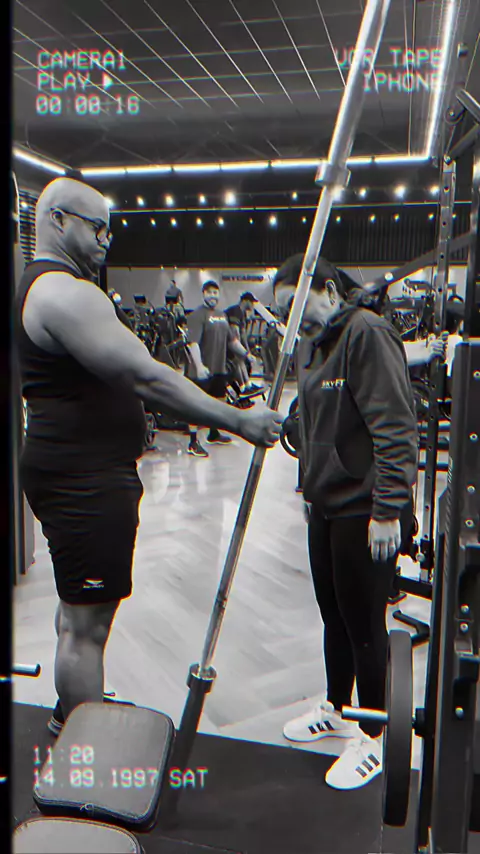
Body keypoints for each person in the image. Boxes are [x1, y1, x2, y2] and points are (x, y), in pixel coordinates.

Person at [16, 177, 282, 737]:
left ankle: (74, 708)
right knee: (87, 626)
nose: (107, 239)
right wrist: (236, 419)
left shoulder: (49, 288)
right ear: (58, 220)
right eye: (97, 227)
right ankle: (84, 743)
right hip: (83, 480)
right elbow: (147, 376)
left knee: (77, 612)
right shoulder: (63, 292)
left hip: (78, 472)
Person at [273, 254, 418, 791]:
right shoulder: (316, 345)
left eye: (296, 306)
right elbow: (317, 421)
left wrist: (388, 510)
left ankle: (376, 735)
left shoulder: (366, 333)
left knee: (364, 625)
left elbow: (396, 426)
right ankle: (337, 708)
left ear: (329, 291)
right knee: (332, 615)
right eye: (283, 313)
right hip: (327, 504)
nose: (292, 320)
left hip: (365, 508)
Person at [186, 281, 249, 458]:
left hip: (219, 368)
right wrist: (199, 366)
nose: (213, 296)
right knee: (196, 406)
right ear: (203, 294)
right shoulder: (197, 315)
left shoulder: (222, 315)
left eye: (215, 292)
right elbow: (193, 344)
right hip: (201, 371)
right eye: (209, 292)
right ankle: (192, 442)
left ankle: (213, 434)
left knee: (218, 401)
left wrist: (246, 354)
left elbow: (232, 340)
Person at [225, 292, 264, 395]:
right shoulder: (235, 311)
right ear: (245, 301)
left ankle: (248, 385)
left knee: (241, 358)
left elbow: (243, 335)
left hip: (233, 341)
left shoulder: (242, 314)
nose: (252, 305)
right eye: (251, 302)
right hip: (227, 342)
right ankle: (242, 387)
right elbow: (235, 333)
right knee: (238, 358)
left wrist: (247, 351)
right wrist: (242, 351)